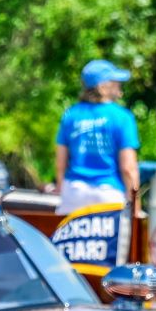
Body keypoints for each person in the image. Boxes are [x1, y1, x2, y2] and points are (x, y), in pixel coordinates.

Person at [54, 60, 139, 216]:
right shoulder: (122, 117)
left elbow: (60, 163)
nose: (119, 86)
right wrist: (135, 202)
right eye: (115, 82)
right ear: (103, 86)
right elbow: (128, 167)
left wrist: (62, 188)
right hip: (108, 194)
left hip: (74, 192)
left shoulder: (70, 115)